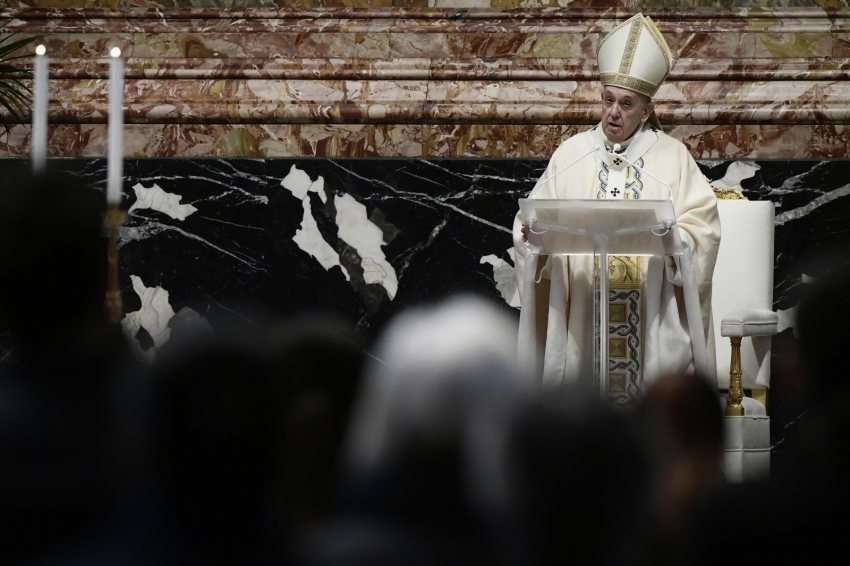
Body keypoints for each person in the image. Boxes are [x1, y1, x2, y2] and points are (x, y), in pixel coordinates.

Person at [513, 14, 721, 404]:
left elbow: (703, 229)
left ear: (646, 111)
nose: (613, 112)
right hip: (581, 315)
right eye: (608, 100)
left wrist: (679, 240)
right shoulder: (571, 154)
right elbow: (531, 220)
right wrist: (533, 237)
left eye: (626, 104)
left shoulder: (672, 157)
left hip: (650, 314)